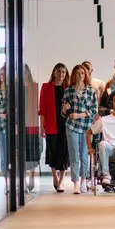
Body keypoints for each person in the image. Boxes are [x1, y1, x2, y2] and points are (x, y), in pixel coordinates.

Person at [62, 64, 98, 194]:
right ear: (73, 75)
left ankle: (84, 180)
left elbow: (94, 110)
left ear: (86, 75)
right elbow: (63, 112)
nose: (80, 75)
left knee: (84, 154)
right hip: (71, 126)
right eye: (77, 73)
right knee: (74, 154)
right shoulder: (68, 91)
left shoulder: (91, 91)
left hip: (86, 127)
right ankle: (75, 181)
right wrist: (65, 109)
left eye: (82, 73)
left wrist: (79, 115)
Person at [39, 63, 71, 193]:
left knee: (64, 152)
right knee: (52, 151)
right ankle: (55, 176)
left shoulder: (68, 88)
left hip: (66, 125)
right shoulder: (46, 88)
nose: (61, 74)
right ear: (54, 72)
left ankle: (62, 180)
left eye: (63, 72)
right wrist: (42, 126)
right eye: (58, 71)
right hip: (51, 124)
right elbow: (42, 109)